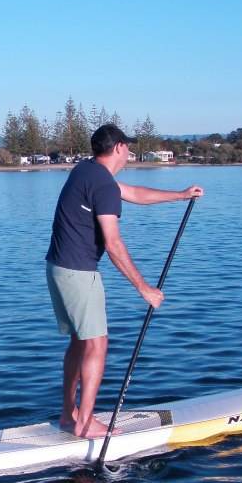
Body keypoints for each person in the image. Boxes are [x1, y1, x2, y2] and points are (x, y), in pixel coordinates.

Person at [45, 124, 203, 438]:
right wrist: (144, 289)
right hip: (79, 274)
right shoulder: (101, 183)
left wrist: (181, 195)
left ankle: (69, 415)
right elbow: (114, 243)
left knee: (80, 341)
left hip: (58, 268)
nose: (129, 151)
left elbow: (134, 193)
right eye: (127, 146)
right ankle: (85, 424)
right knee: (97, 344)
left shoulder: (88, 171)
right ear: (118, 147)